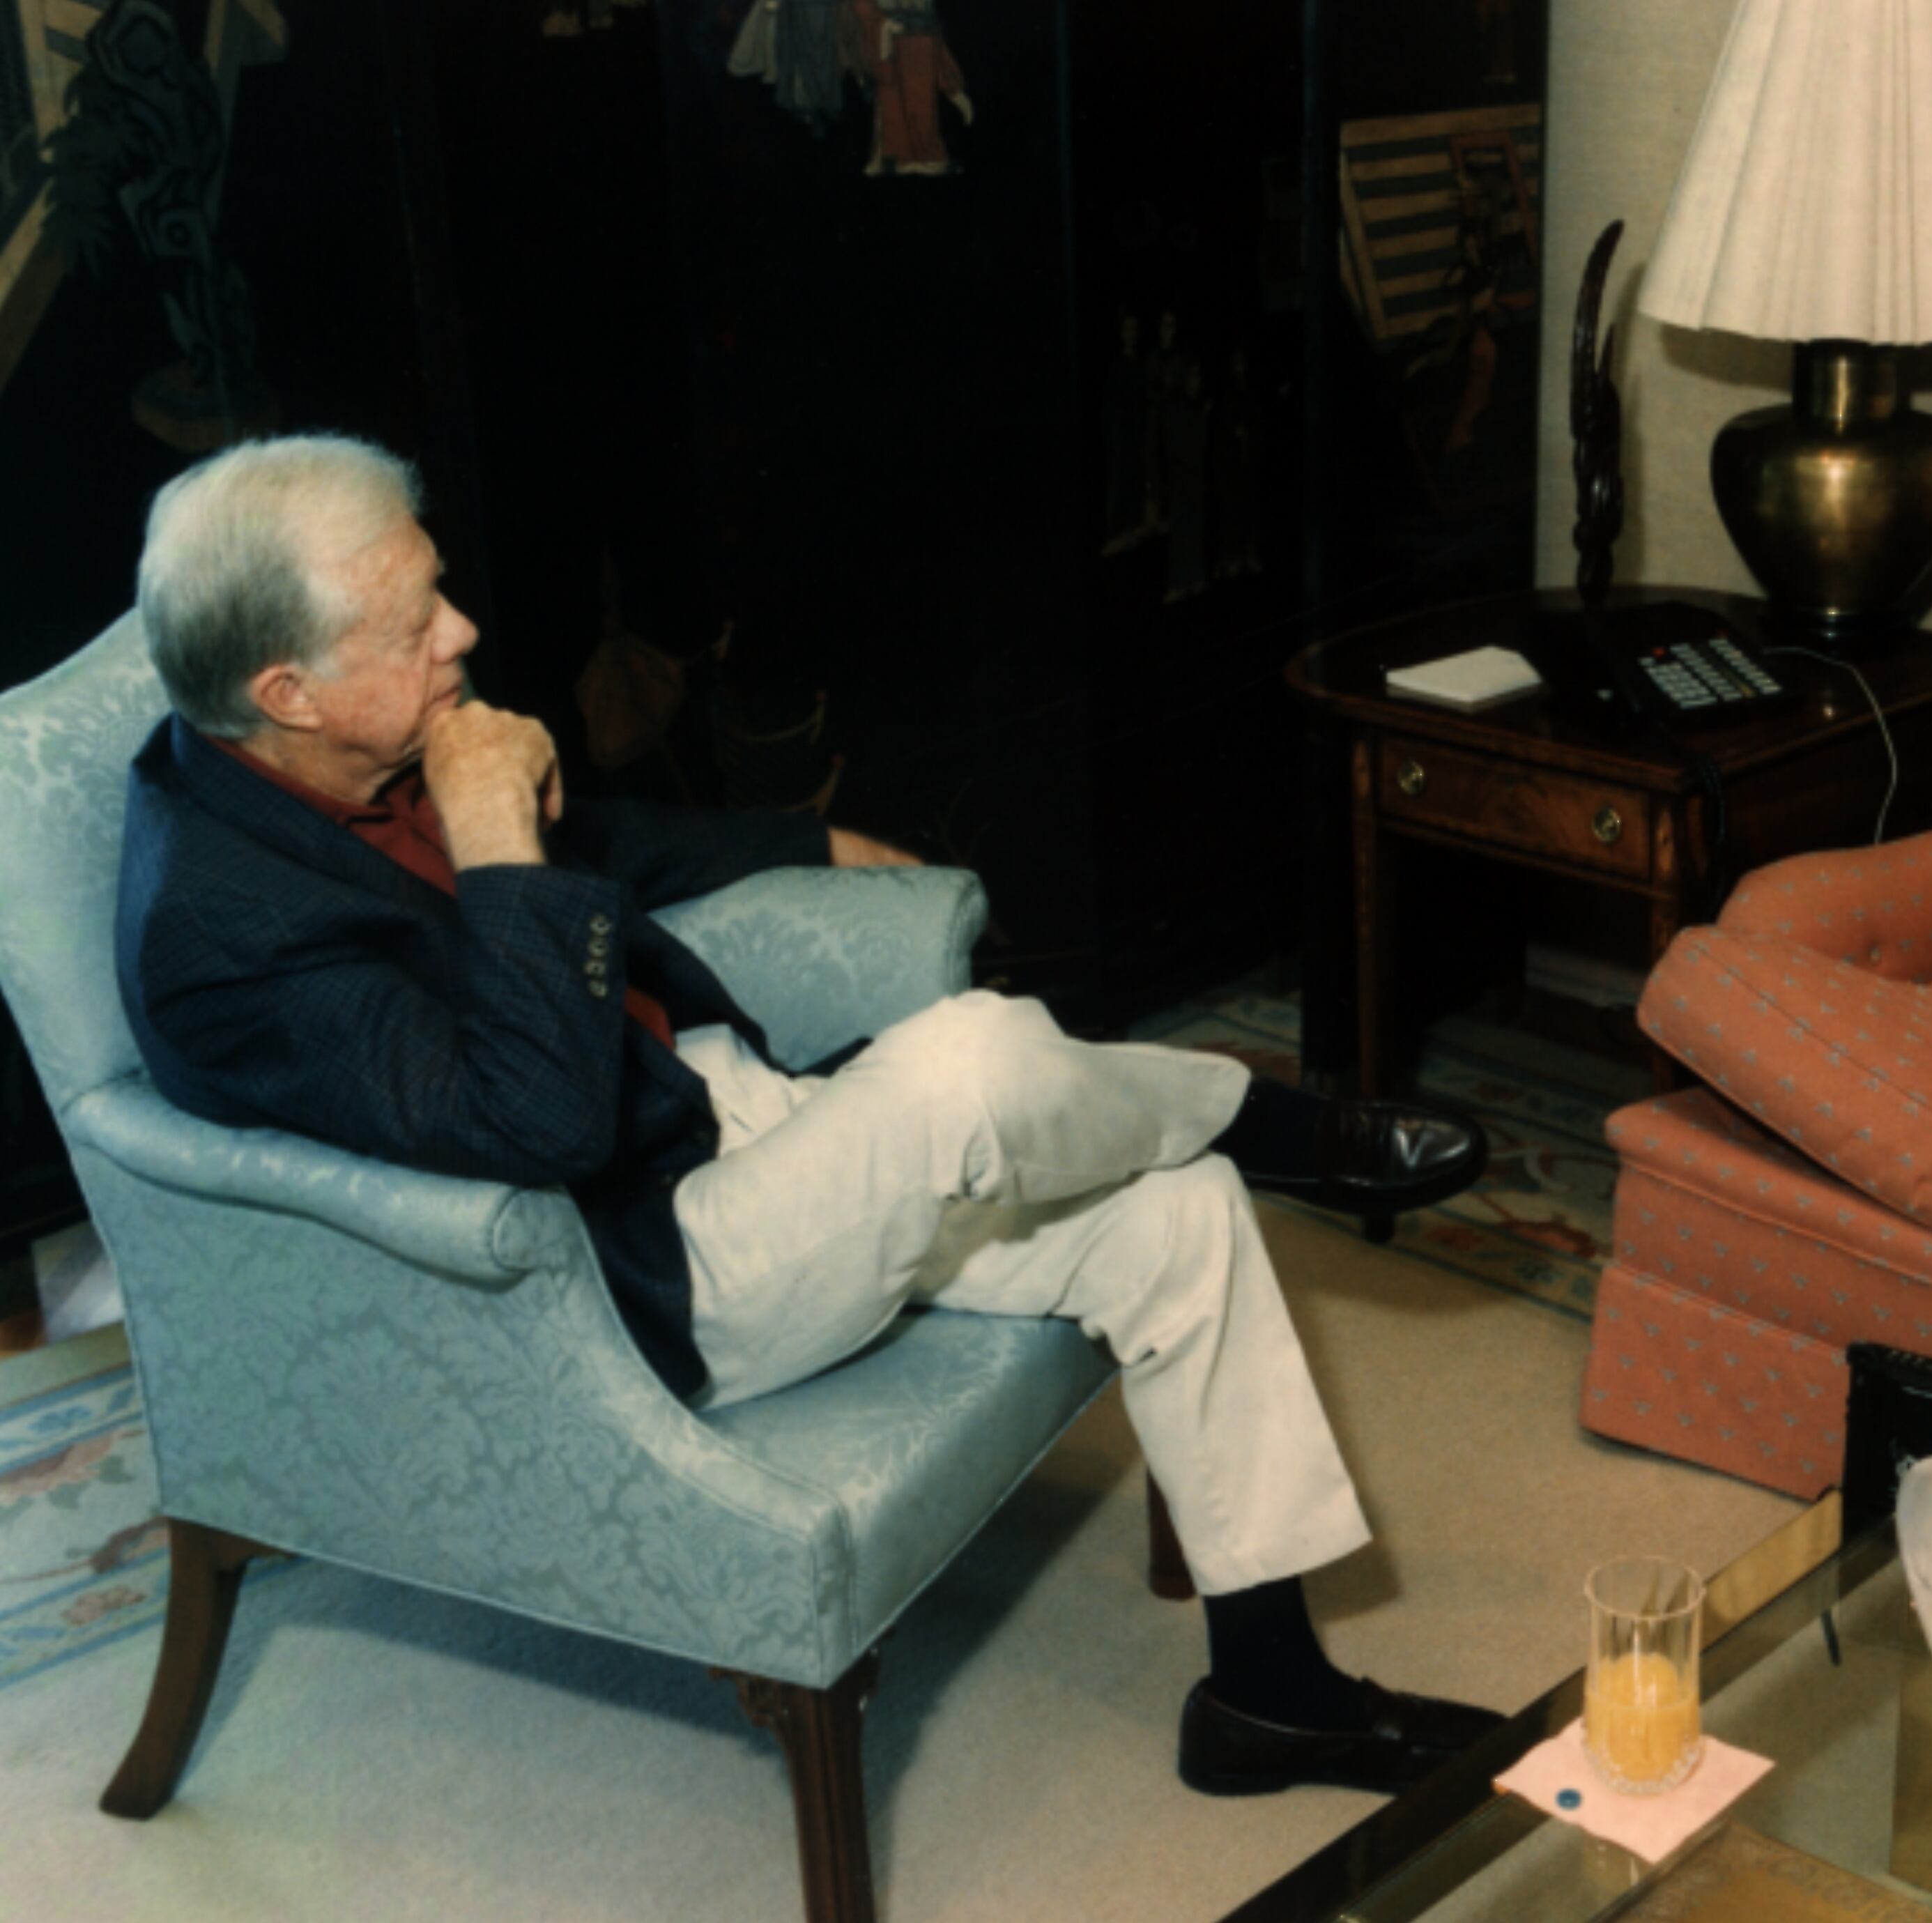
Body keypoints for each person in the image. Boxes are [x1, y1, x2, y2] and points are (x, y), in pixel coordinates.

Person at [113, 434, 1502, 1797]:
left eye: (441, 589)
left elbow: (600, 848)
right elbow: (531, 1126)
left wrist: (797, 837)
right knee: (968, 1063)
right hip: (637, 1281)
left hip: (729, 1124)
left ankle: (1271, 1697)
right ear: (286, 689)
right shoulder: (218, 935)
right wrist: (495, 847)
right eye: (417, 618)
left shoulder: (349, 746)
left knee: (1172, 1210)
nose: (463, 631)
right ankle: (1268, 1123)